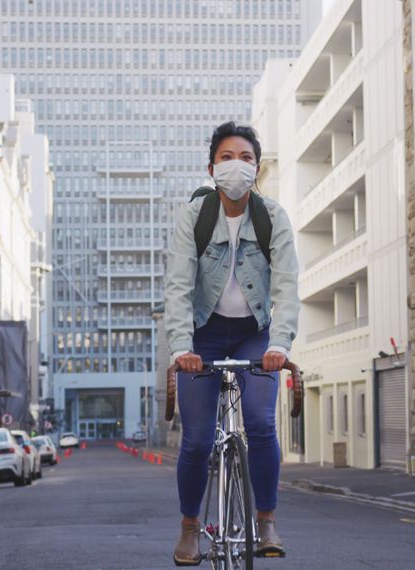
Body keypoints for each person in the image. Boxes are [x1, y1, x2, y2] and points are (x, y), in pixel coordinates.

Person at [164, 121, 300, 566]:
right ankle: (189, 528)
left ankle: (265, 521)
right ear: (211, 168)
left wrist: (280, 344)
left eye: (245, 158)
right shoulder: (195, 217)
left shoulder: (272, 217)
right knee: (198, 439)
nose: (236, 166)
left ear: (257, 168)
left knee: (261, 424)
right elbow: (179, 286)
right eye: (226, 158)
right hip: (202, 335)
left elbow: (286, 287)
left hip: (253, 336)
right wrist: (181, 349)